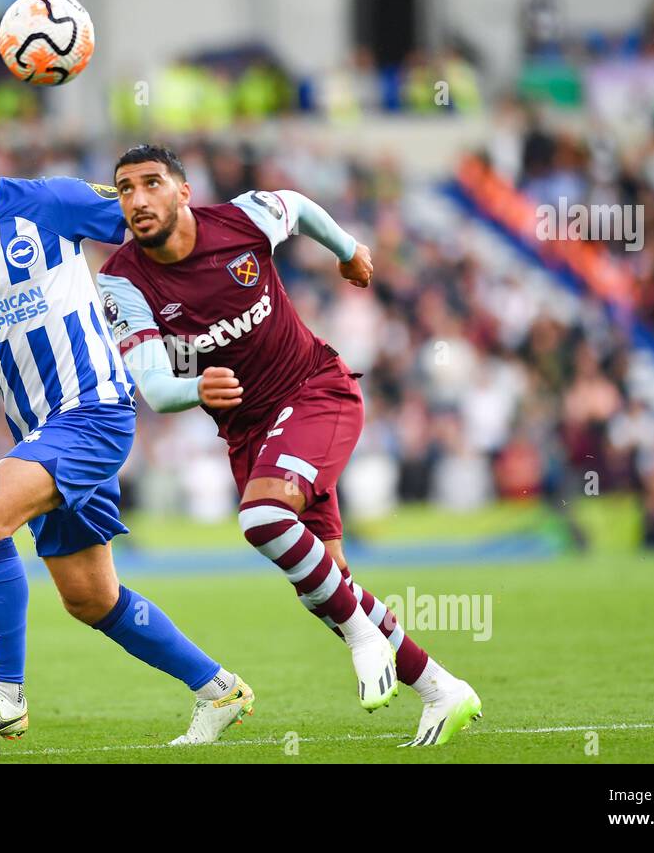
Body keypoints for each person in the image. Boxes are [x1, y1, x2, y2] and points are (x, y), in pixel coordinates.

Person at [0, 81, 251, 745]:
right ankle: (219, 689)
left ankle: (6, 695)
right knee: (90, 599)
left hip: (96, 408)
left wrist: (217, 273)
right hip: (40, 431)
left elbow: (155, 225)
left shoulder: (50, 200)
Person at [97, 144, 481, 746]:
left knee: (261, 518)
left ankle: (363, 638)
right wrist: (194, 384)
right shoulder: (121, 280)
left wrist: (349, 250)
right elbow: (154, 385)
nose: (138, 199)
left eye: (151, 183)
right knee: (326, 583)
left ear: (182, 190)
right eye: (125, 188)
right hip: (249, 432)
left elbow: (298, 207)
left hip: (315, 392)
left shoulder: (242, 219)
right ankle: (440, 688)